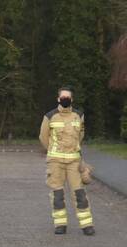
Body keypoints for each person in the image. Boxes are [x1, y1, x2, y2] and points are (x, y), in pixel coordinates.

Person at [39, 87, 95, 236]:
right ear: (58, 99)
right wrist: (52, 150)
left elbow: (80, 136)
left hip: (74, 162)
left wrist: (73, 150)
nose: (65, 99)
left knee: (80, 194)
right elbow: (43, 138)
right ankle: (60, 225)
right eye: (63, 97)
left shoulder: (79, 115)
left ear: (72, 99)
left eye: (68, 97)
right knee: (57, 195)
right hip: (55, 162)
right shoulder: (50, 116)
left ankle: (87, 225)